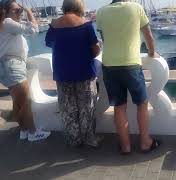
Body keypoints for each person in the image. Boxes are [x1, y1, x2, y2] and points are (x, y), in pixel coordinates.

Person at [96, 0, 160, 154]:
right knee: (142, 104)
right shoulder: (137, 8)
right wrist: (152, 53)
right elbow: (149, 37)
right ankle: (145, 142)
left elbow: (105, 39)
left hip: (110, 65)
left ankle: (125, 146)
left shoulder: (101, 12)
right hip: (131, 64)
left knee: (119, 107)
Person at [45, 0, 102, 148]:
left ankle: (73, 139)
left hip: (62, 73)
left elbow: (50, 43)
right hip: (84, 71)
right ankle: (89, 139)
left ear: (64, 7)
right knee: (86, 107)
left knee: (67, 107)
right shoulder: (86, 25)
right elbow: (95, 50)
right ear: (80, 7)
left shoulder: (54, 25)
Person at [0, 0, 50, 141]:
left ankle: (24, 130)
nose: (19, 13)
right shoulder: (8, 22)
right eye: (16, 10)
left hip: (7, 67)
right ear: (5, 12)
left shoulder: (5, 24)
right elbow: (33, 30)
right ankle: (33, 132)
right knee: (26, 101)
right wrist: (29, 12)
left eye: (20, 10)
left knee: (18, 102)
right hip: (13, 66)